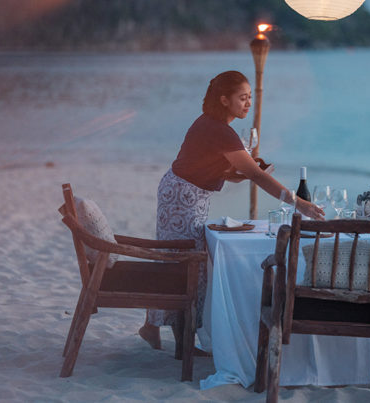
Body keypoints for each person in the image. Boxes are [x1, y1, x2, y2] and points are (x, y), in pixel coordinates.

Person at [138, 70, 324, 352]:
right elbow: (257, 177)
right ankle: (174, 338)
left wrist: (247, 173)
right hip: (182, 196)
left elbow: (220, 169)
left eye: (250, 98)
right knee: (187, 262)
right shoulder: (218, 130)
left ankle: (165, 333)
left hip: (185, 192)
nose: (248, 104)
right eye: (242, 98)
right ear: (224, 100)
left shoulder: (214, 126)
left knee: (184, 261)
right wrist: (301, 203)